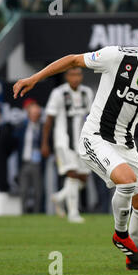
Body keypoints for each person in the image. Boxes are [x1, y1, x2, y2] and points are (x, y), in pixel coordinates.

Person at [13, 12, 138, 270]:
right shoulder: (117, 57)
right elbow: (74, 59)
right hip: (95, 136)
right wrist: (34, 78)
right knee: (127, 180)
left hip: (125, 143)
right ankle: (121, 235)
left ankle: (134, 259)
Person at [41, 67, 93, 223]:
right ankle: (73, 213)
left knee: (83, 178)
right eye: (72, 75)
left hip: (82, 141)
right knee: (72, 174)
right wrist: (45, 143)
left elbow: (91, 116)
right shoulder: (58, 93)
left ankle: (59, 197)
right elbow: (49, 119)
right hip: (63, 141)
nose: (75, 78)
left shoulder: (87, 92)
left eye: (78, 74)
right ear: (66, 76)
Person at [15, 99, 44, 214]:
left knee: (38, 191)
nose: (34, 115)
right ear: (28, 114)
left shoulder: (43, 127)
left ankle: (36, 213)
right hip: (25, 162)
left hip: (38, 163)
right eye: (32, 113)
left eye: (36, 113)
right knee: (23, 190)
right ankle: (23, 213)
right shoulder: (22, 127)